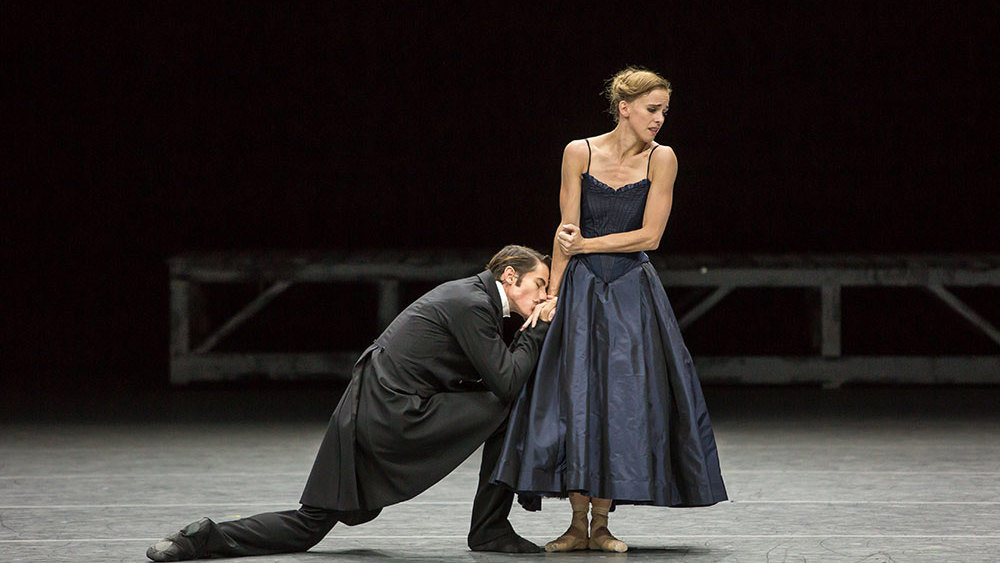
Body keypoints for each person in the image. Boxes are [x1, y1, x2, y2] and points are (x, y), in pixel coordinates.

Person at [146, 245, 558, 561]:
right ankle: (489, 529)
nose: (542, 298)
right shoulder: (472, 304)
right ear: (509, 275)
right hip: (392, 414)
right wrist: (536, 330)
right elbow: (506, 382)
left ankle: (199, 539)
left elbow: (479, 375)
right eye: (540, 285)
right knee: (508, 407)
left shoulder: (469, 298)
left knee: (310, 524)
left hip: (366, 412)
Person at [491, 67, 728, 553]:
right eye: (652, 109)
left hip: (629, 292)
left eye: (664, 110)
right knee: (575, 397)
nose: (660, 119)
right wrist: (552, 292)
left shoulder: (663, 159)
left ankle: (602, 523)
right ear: (624, 107)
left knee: (621, 401)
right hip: (580, 289)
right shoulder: (578, 151)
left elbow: (651, 236)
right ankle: (578, 524)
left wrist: (586, 245)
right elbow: (565, 231)